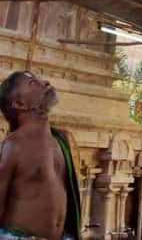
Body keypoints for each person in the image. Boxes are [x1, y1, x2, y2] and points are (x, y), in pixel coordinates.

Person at [0, 71, 82, 240]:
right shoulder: (13, 146)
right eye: (32, 83)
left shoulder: (62, 139)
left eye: (40, 78)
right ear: (19, 104)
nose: (45, 82)